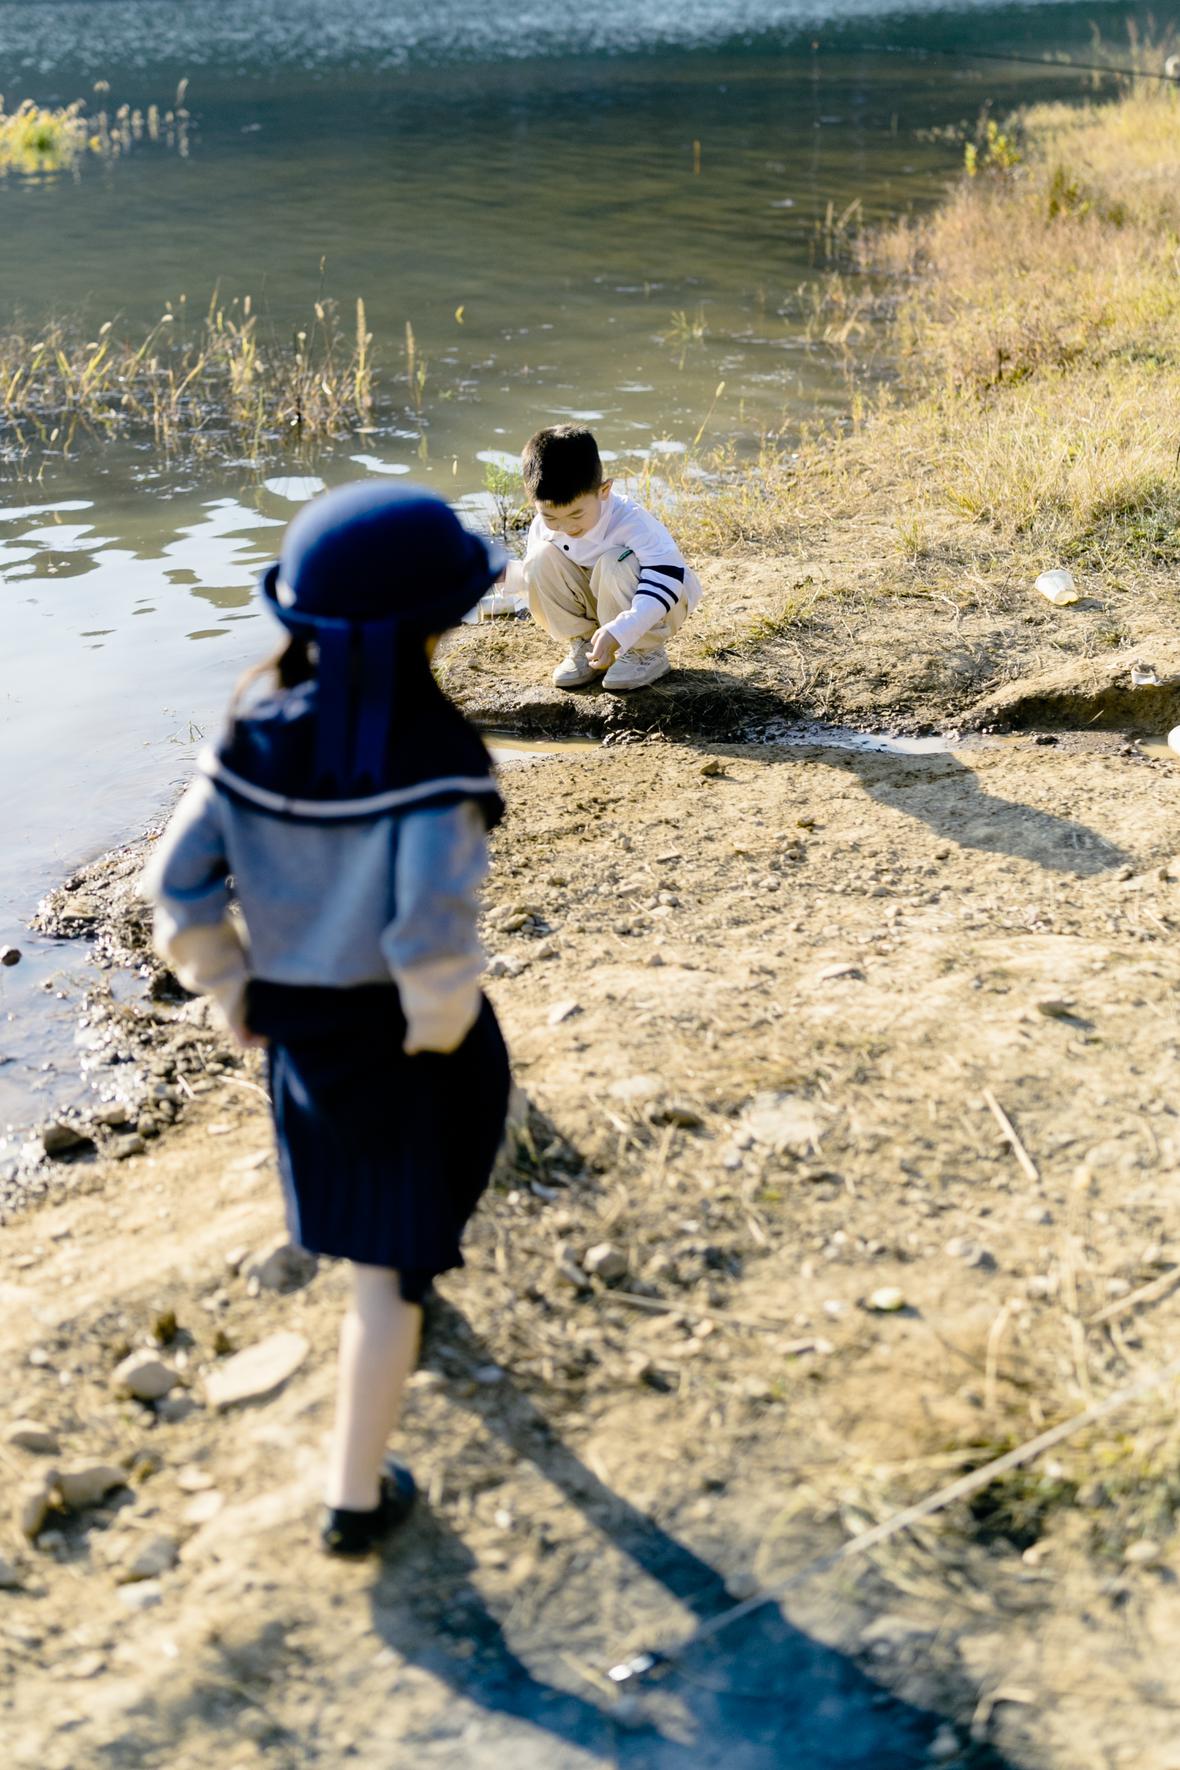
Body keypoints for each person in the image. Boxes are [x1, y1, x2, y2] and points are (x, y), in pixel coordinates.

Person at [141, 483, 512, 1557]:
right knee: (384, 1281)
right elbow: (430, 937)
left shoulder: (248, 734)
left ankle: (406, 1267)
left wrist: (232, 989)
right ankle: (355, 1500)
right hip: (408, 1037)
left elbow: (176, 888)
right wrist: (435, 1033)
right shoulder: (438, 761)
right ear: (436, 626)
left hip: (301, 1027)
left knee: (370, 1221)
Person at [512, 423, 702, 692]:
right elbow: (539, 582)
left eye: (576, 514)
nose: (565, 527)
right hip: (601, 605)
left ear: (604, 491)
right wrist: (499, 576)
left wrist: (623, 629)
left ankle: (644, 653)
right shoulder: (542, 528)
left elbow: (667, 578)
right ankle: (587, 645)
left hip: (658, 604)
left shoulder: (631, 521)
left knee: (615, 562)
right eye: (551, 517)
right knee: (538, 559)